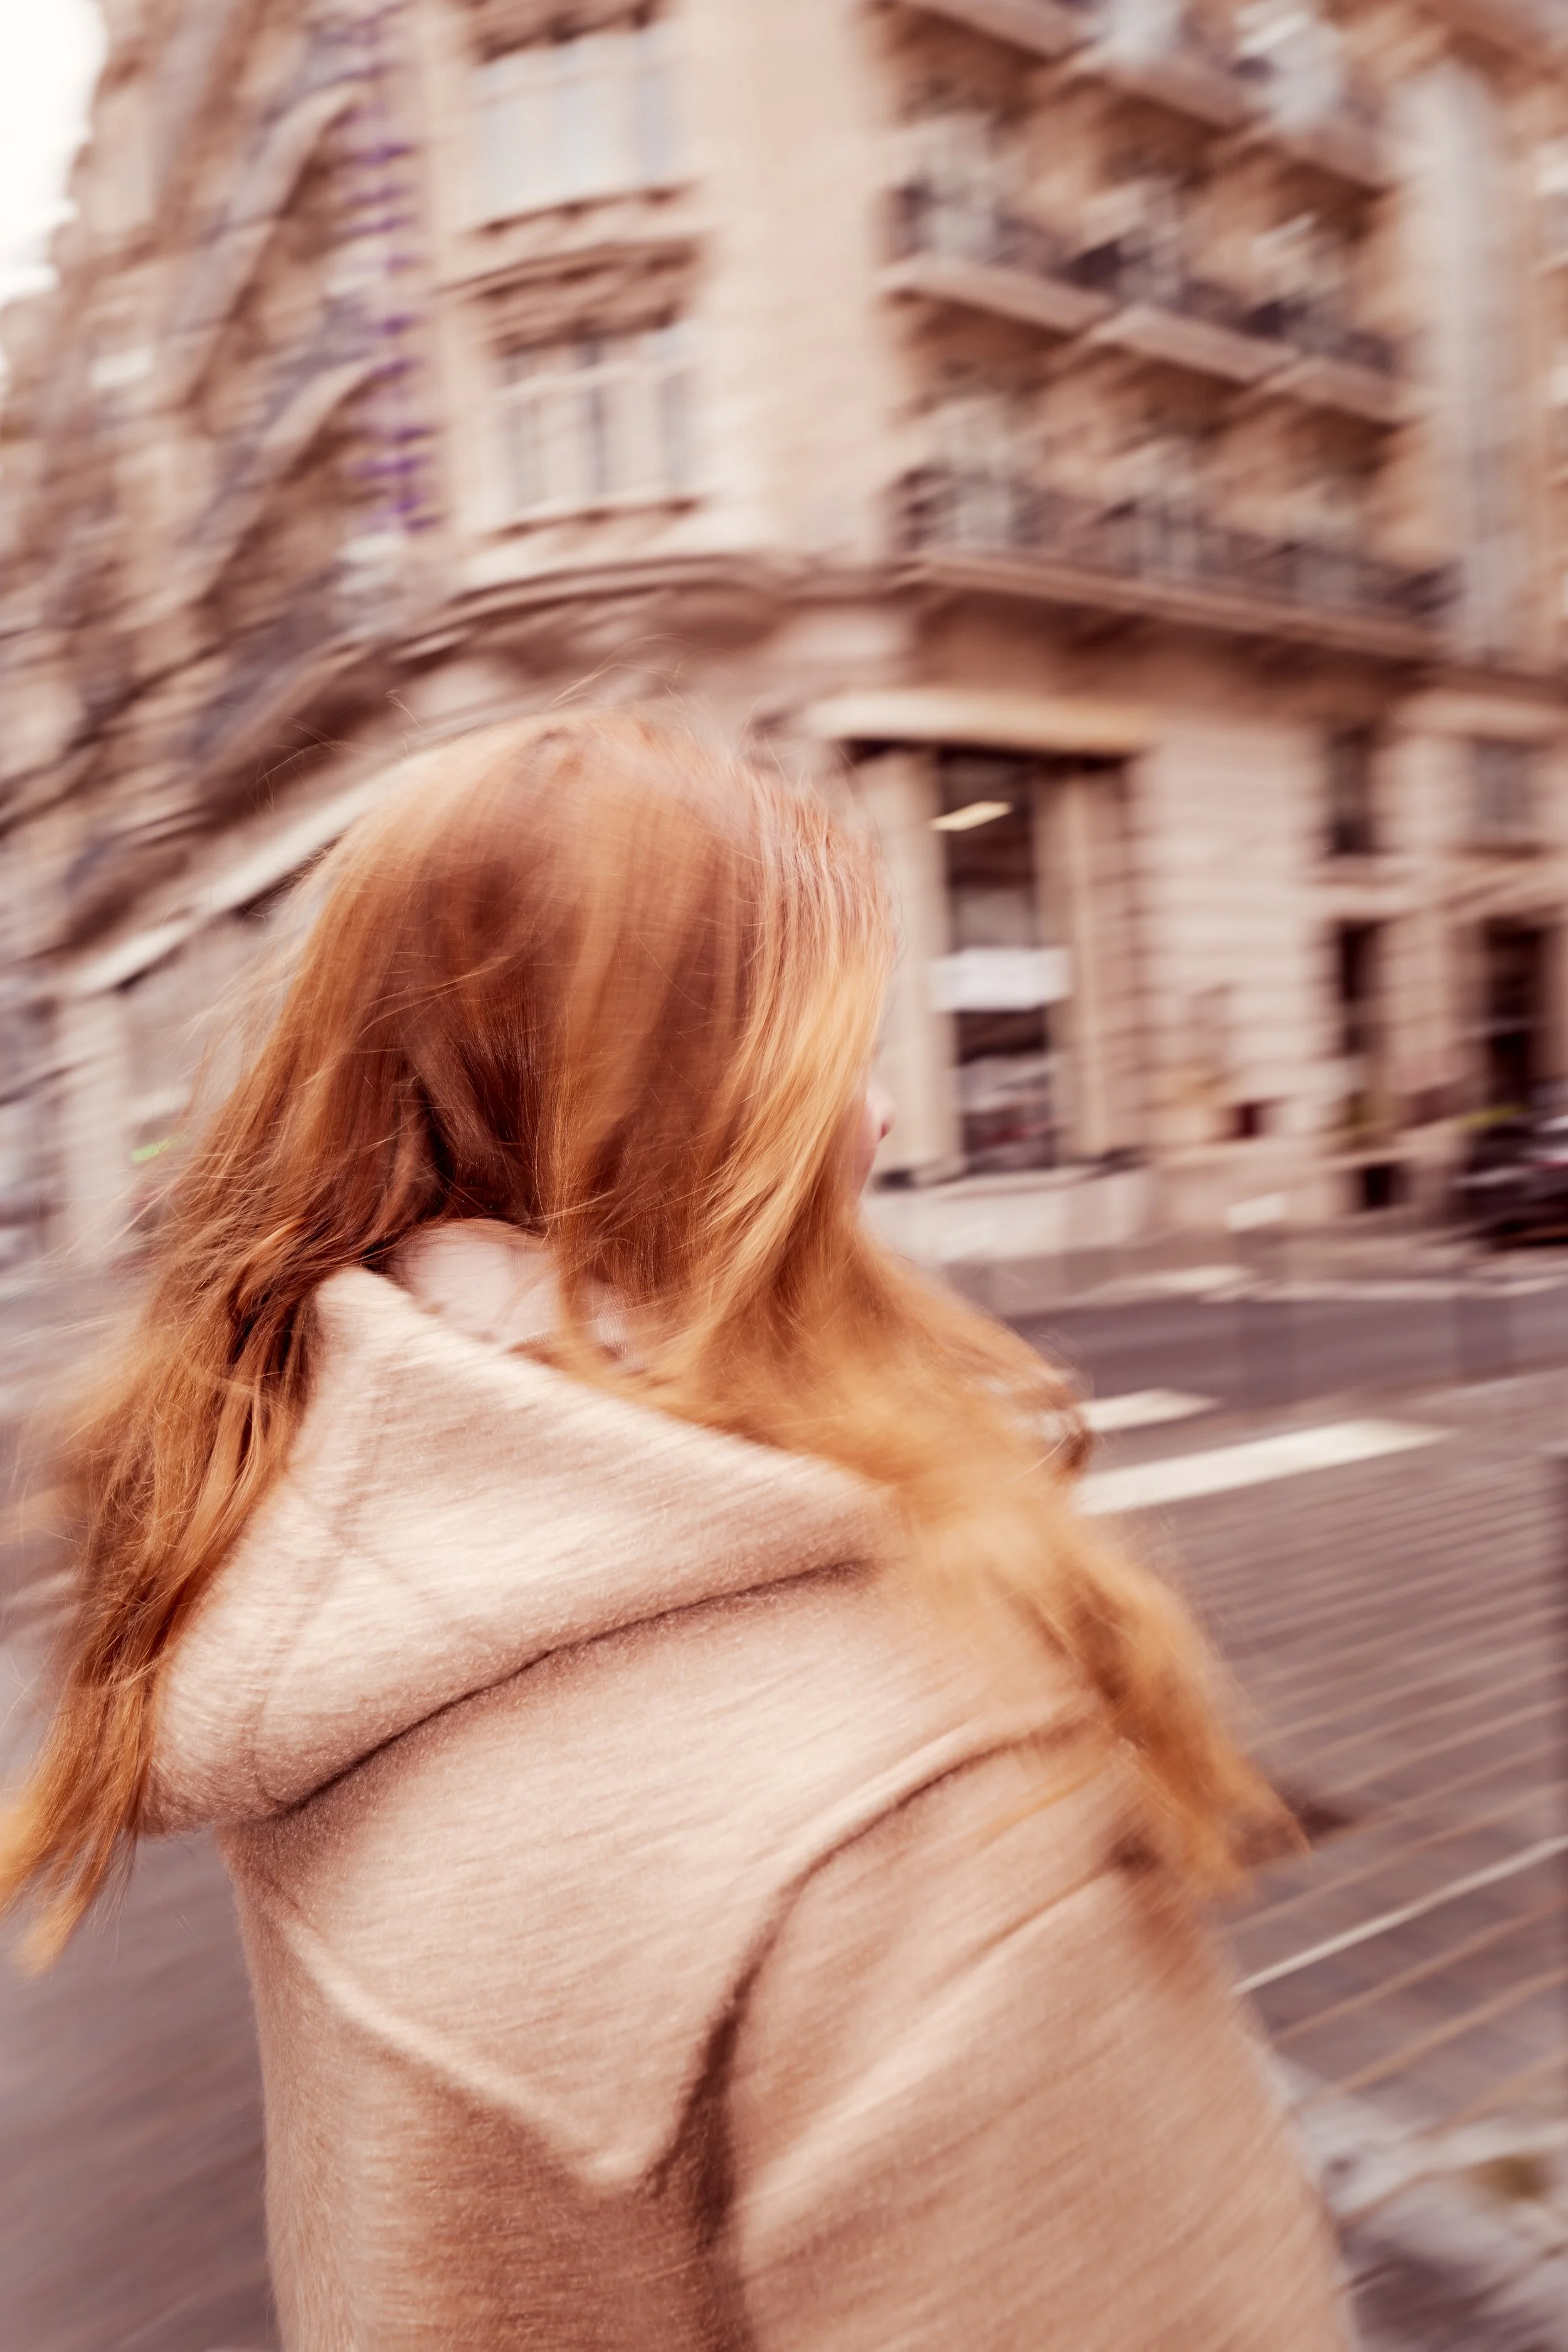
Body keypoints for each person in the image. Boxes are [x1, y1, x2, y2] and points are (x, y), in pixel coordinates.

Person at [1, 712, 1347, 2350]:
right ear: (705, 1115)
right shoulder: (920, 1814)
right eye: (832, 1059)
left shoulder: (312, 1570)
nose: (878, 1123)